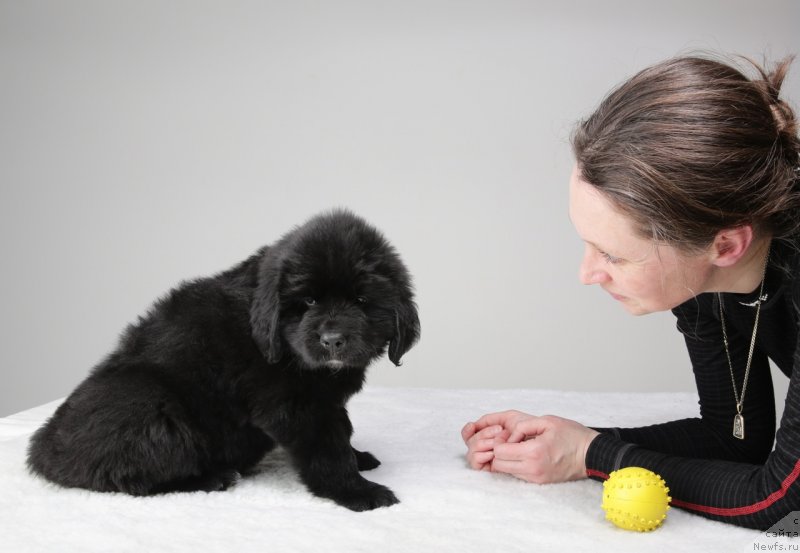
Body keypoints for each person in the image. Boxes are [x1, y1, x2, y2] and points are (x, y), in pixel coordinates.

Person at [462, 53, 800, 530]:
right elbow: (734, 442)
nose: (587, 274)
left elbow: (783, 504)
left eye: (614, 256)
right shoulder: (702, 275)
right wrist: (571, 441)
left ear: (725, 244)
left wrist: (592, 455)